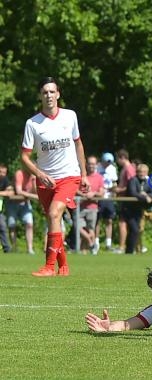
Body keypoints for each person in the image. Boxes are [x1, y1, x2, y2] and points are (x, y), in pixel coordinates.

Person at [21, 77, 89, 276]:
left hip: (69, 176)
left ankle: (49, 266)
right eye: (45, 92)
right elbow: (24, 157)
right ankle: (64, 266)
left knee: (54, 214)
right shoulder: (32, 124)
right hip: (45, 180)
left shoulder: (70, 116)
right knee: (54, 220)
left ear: (58, 94)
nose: (49, 95)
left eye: (52, 91)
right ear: (40, 96)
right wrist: (40, 174)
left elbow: (78, 144)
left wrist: (84, 174)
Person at [123, 164, 152, 254]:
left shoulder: (148, 181)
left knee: (135, 230)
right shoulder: (133, 180)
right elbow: (133, 193)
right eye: (140, 172)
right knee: (134, 229)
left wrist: (147, 195)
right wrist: (145, 197)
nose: (141, 174)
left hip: (139, 210)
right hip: (129, 210)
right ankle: (130, 250)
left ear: (147, 172)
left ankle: (130, 250)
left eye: (144, 172)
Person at [75, 156, 104, 254]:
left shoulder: (99, 177)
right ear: (86, 164)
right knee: (77, 226)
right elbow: (74, 189)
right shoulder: (82, 176)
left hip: (93, 207)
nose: (91, 166)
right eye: (90, 163)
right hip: (81, 207)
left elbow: (102, 192)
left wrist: (93, 194)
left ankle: (85, 251)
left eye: (93, 164)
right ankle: (92, 244)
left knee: (91, 229)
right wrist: (83, 194)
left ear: (96, 165)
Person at [6, 168, 37, 255]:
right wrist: (33, 197)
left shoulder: (34, 177)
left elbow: (36, 192)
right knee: (12, 225)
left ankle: (30, 249)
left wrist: (34, 181)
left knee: (29, 224)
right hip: (13, 202)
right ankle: (14, 247)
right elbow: (19, 192)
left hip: (26, 203)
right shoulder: (19, 173)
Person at [112, 149, 136, 254]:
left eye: (117, 159)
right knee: (122, 223)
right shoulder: (126, 168)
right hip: (123, 199)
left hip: (127, 200)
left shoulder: (129, 169)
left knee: (122, 223)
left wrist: (119, 190)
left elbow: (132, 186)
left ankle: (122, 247)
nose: (117, 162)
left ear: (122, 158)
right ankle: (124, 247)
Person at [95, 152, 118, 252]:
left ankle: (108, 243)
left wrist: (113, 191)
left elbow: (114, 182)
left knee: (109, 220)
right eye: (106, 162)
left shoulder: (112, 168)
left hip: (108, 198)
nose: (108, 164)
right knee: (97, 221)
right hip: (99, 197)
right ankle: (96, 243)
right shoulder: (97, 167)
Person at [0, 163, 13, 253]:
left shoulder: (4, 180)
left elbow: (10, 192)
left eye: (4, 172)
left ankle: (7, 249)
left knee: (3, 227)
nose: (2, 174)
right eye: (0, 172)